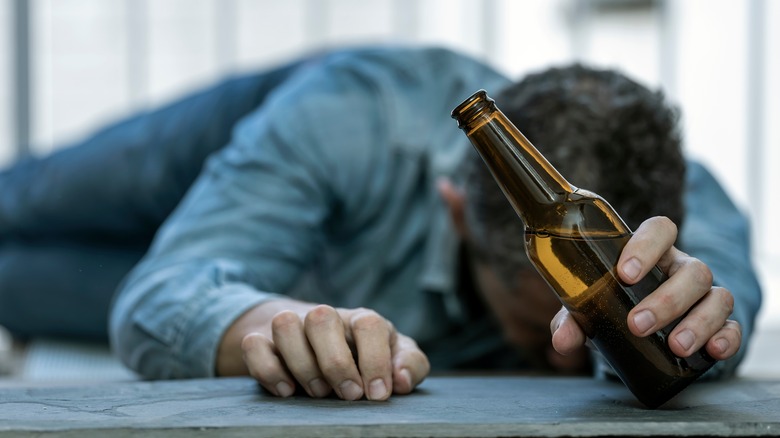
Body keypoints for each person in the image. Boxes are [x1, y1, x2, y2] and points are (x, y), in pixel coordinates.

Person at [0, 45, 760, 401]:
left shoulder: (683, 210)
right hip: (254, 154)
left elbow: (718, 312)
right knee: (24, 201)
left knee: (16, 286)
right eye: (538, 335)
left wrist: (689, 333)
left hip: (290, 265)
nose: (566, 360)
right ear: (456, 212)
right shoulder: (349, 123)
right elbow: (167, 288)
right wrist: (282, 326)